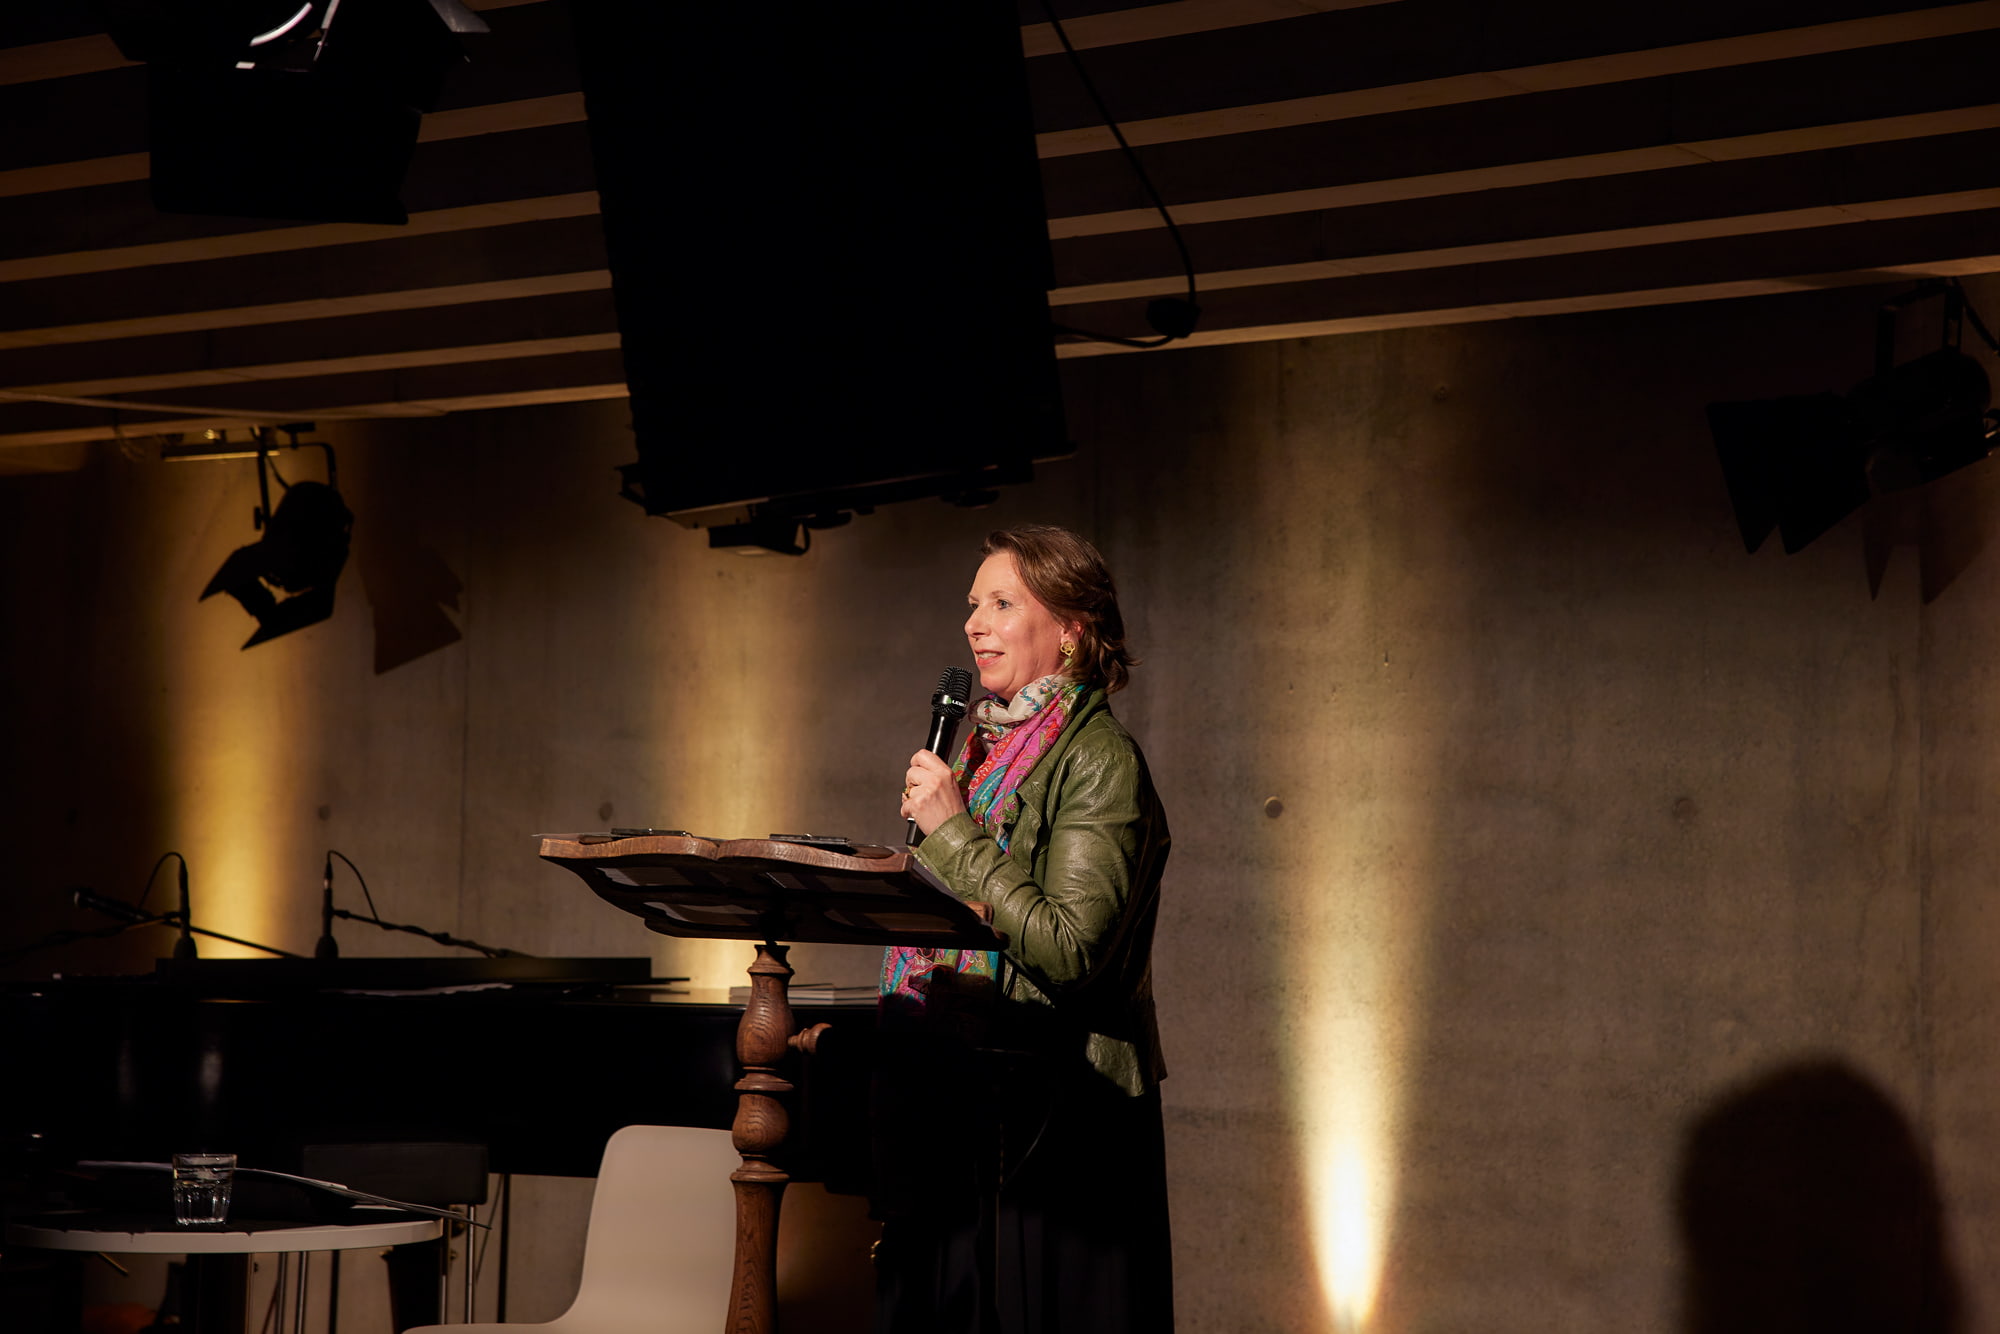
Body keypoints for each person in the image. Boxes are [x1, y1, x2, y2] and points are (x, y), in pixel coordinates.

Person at [877, 524, 1173, 1333]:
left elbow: (1071, 948)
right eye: (973, 605)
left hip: (1058, 1121)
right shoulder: (982, 753)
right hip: (962, 1100)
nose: (973, 624)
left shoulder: (1099, 759)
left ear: (1071, 628)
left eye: (1002, 604)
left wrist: (954, 834)